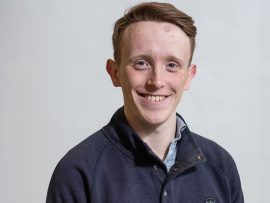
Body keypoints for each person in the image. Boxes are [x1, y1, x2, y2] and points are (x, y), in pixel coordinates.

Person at [46, 2, 244, 203]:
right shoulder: (79, 172)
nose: (156, 81)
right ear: (115, 73)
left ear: (188, 77)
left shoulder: (221, 166)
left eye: (172, 65)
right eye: (141, 63)